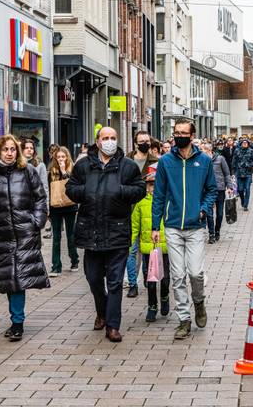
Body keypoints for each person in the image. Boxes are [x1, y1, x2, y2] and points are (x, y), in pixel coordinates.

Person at [66, 127, 146, 343]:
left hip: (117, 231)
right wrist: (87, 191)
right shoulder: (84, 165)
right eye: (105, 138)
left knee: (115, 282)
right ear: (98, 141)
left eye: (113, 138)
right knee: (93, 279)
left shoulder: (127, 166)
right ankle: (101, 311)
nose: (110, 141)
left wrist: (120, 191)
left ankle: (112, 325)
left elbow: (140, 190)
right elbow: (70, 189)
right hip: (90, 232)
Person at [0, 134, 49, 342]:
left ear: (18, 151)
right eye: (6, 149)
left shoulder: (28, 171)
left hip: (25, 234)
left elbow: (41, 198)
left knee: (18, 278)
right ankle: (16, 320)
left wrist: (36, 221)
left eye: (13, 149)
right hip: (2, 235)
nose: (10, 153)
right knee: (9, 278)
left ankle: (17, 323)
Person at [151, 118, 217, 340]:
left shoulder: (204, 161)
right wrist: (155, 225)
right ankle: (184, 319)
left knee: (196, 272)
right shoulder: (166, 162)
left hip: (196, 226)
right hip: (172, 226)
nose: (179, 135)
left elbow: (211, 190)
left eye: (183, 132)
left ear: (191, 135)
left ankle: (198, 302)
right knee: (177, 275)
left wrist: (203, 210)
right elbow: (158, 195)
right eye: (176, 132)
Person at [130, 165, 171, 322]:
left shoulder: (169, 202)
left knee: (165, 278)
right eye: (151, 184)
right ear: (146, 187)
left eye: (157, 184)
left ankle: (165, 296)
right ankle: (152, 305)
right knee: (151, 280)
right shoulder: (141, 204)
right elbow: (134, 226)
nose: (154, 187)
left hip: (166, 247)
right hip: (148, 248)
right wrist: (130, 243)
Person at [125, 131, 159, 297]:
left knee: (146, 249)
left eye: (147, 140)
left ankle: (147, 274)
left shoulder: (156, 161)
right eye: (141, 141)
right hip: (129, 210)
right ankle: (132, 283)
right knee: (130, 250)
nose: (145, 143)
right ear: (135, 143)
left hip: (148, 210)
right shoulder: (126, 160)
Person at [47, 146, 80, 275]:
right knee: (56, 237)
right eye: (58, 157)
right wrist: (48, 209)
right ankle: (56, 266)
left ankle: (74, 260)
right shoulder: (51, 172)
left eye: (63, 157)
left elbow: (73, 185)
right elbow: (48, 190)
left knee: (70, 235)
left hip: (70, 206)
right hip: (55, 207)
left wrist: (64, 171)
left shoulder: (73, 170)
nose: (61, 159)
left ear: (67, 157)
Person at [21, 139, 50, 237]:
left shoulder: (40, 165)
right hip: (21, 204)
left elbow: (44, 186)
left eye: (31, 148)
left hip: (35, 204)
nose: (29, 150)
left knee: (34, 232)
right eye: (26, 148)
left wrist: (46, 206)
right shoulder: (17, 165)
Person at [202, 143, 229, 243]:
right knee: (209, 213)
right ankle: (211, 234)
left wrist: (229, 186)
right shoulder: (202, 161)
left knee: (220, 214)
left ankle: (217, 231)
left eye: (203, 151)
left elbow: (226, 173)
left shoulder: (220, 159)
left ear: (209, 151)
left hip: (220, 189)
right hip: (207, 190)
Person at [232, 139, 253, 212]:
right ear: (241, 143)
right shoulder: (237, 150)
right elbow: (234, 161)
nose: (245, 144)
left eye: (246, 143)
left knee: (247, 189)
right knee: (240, 189)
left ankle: (246, 205)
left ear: (248, 144)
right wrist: (233, 172)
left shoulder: (251, 151)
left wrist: (249, 165)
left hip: (248, 173)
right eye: (243, 143)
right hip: (239, 173)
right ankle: (243, 201)